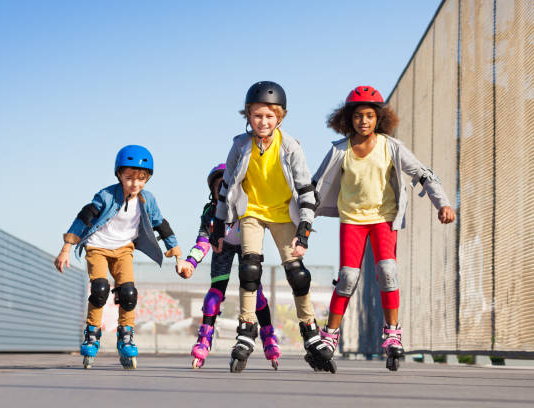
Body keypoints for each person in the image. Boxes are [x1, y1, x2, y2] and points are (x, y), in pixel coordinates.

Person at [312, 86, 456, 371]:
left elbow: (423, 174)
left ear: (379, 118)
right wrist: (300, 223)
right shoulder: (339, 150)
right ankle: (329, 336)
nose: (363, 121)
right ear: (347, 119)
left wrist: (443, 204)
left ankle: (392, 334)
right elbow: (313, 188)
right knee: (347, 277)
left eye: (369, 116)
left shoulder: (391, 147)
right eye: (357, 116)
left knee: (388, 272)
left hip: (384, 219)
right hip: (352, 219)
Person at [211, 81, 336, 373]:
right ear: (248, 116)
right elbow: (227, 187)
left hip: (283, 214)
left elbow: (306, 191)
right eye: (257, 115)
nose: (263, 121)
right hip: (251, 212)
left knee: (298, 274)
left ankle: (309, 330)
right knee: (249, 268)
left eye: (269, 116)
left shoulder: (290, 145)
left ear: (280, 117)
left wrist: (304, 230)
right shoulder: (239, 146)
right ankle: (246, 327)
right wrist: (218, 226)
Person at [54, 145, 182, 370]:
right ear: (119, 175)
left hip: (124, 249)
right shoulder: (105, 195)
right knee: (100, 289)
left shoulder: (147, 200)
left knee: (128, 292)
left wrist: (177, 254)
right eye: (129, 177)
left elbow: (160, 224)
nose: (135, 183)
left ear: (147, 179)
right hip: (97, 248)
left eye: (141, 178)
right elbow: (83, 218)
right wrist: (67, 247)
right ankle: (92, 334)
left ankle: (126, 336)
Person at [176, 164, 281, 370]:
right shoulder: (211, 211)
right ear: (213, 192)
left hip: (245, 247)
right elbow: (203, 241)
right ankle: (204, 340)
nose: (224, 192)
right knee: (213, 296)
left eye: (229, 187)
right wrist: (191, 261)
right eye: (219, 187)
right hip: (221, 249)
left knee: (255, 295)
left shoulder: (248, 209)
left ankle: (268, 337)